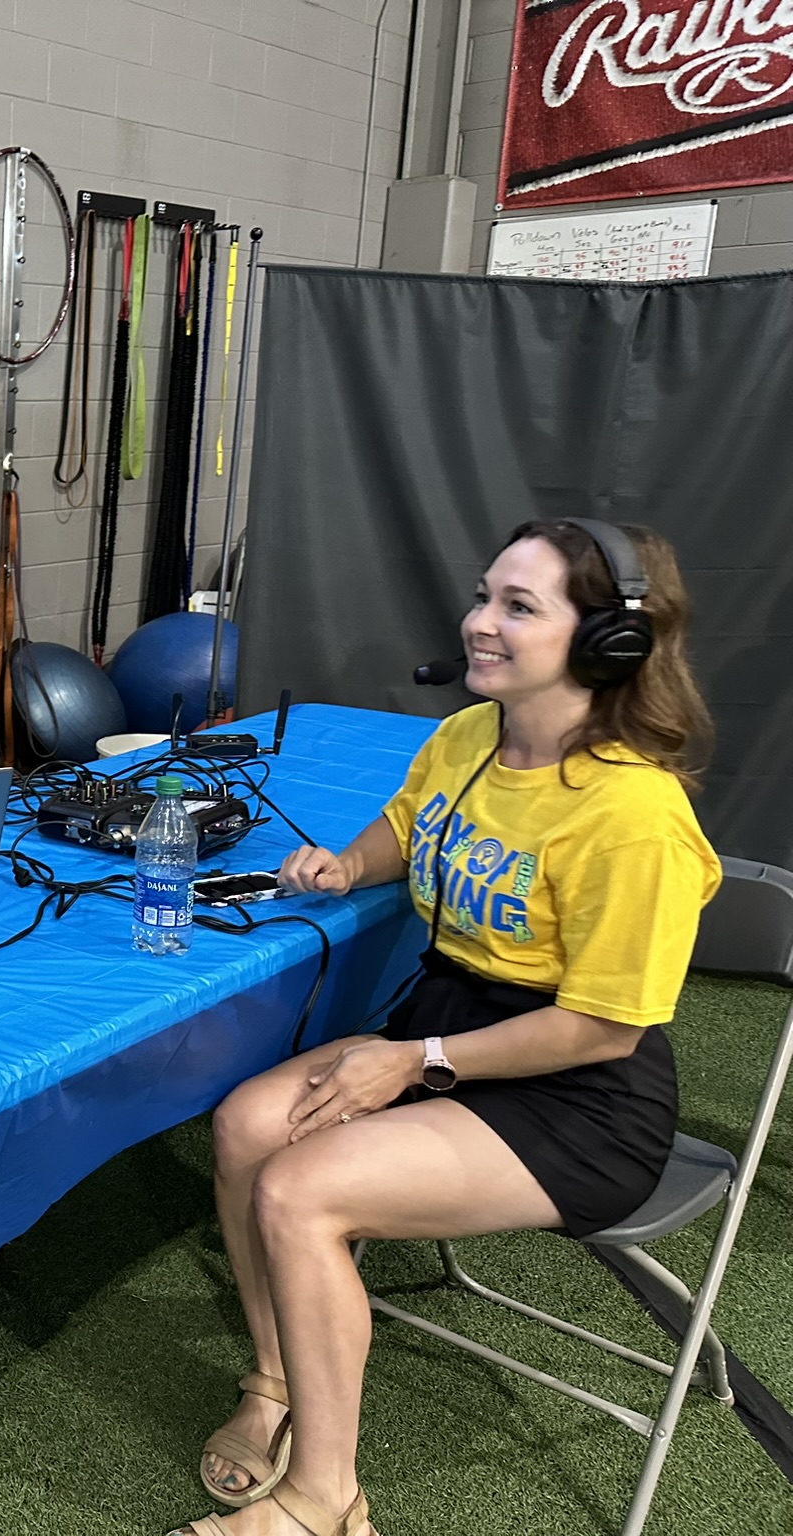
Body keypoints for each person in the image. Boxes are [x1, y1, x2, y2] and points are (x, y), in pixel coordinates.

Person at [170, 521, 719, 1536]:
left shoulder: (634, 815)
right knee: (246, 1129)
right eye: (481, 597)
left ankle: (322, 1502)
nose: (479, 622)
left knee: (298, 1190)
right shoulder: (468, 737)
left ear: (608, 642)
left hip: (577, 1096)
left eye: (519, 607)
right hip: (446, 1028)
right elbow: (408, 820)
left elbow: (601, 1030)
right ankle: (276, 1381)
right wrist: (349, 864)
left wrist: (413, 1062)